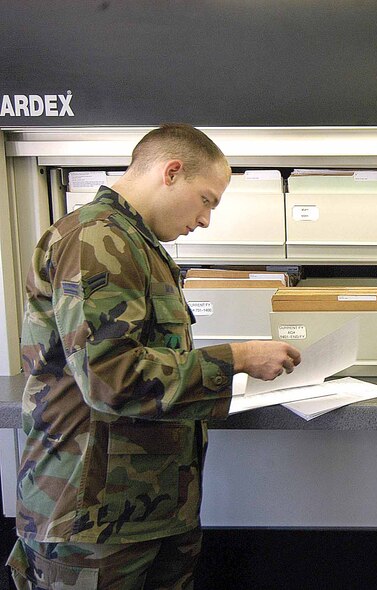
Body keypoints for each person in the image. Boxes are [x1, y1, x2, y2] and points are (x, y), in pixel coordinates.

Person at [6, 124, 302, 589]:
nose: (205, 219)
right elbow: (111, 378)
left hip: (146, 511)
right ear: (172, 172)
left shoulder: (137, 245)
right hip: (90, 520)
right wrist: (236, 358)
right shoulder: (95, 240)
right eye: (206, 200)